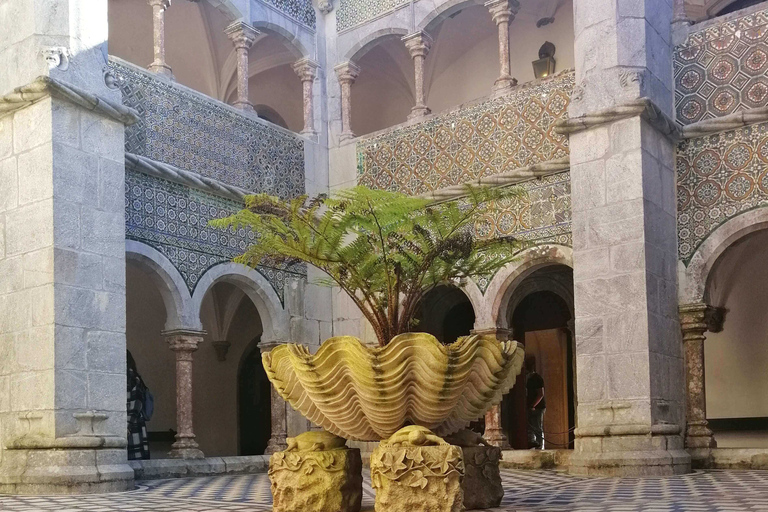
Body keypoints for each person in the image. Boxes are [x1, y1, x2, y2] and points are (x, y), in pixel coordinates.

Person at [127, 350, 151, 460]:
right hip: (131, 423)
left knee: (135, 460)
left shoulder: (132, 378)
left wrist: (128, 424)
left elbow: (136, 403)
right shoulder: (132, 377)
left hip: (132, 423)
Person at [525, 355, 545, 449]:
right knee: (530, 428)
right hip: (529, 406)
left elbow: (540, 394)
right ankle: (532, 444)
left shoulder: (537, 378)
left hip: (537, 407)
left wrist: (533, 405)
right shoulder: (526, 378)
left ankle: (539, 447)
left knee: (537, 427)